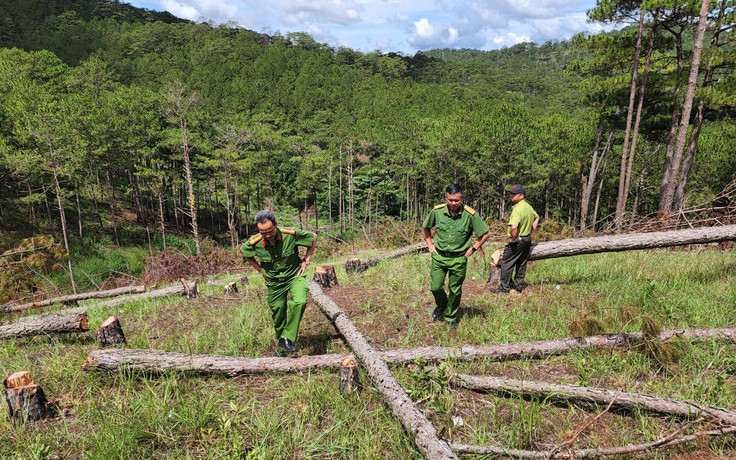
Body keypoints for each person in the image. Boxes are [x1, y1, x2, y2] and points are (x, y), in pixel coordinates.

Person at [241, 210, 317, 357]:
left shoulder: (290, 235)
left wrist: (306, 261)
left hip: (294, 276)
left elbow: (313, 237)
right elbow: (245, 252)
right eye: (263, 232)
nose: (267, 235)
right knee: (278, 314)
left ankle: (287, 338)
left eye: (270, 231)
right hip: (274, 283)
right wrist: (260, 270)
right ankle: (282, 350)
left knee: (300, 301)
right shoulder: (254, 242)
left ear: (275, 225)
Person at [423, 184, 490, 328]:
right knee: (435, 287)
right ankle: (442, 305)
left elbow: (485, 233)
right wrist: (430, 244)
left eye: (457, 200)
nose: (453, 203)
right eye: (450, 200)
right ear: (446, 198)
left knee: (455, 289)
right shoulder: (437, 212)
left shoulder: (470, 214)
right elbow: (426, 227)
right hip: (439, 257)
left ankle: (450, 316)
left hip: (459, 258)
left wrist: (473, 249)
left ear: (462, 199)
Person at [491, 184, 539, 294]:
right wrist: (532, 230)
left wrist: (514, 238)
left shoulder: (517, 209)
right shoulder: (528, 207)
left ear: (521, 195)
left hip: (518, 240)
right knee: (522, 263)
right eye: (510, 193)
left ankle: (504, 288)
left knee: (506, 263)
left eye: (513, 194)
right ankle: (518, 288)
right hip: (527, 239)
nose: (511, 195)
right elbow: (537, 217)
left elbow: (514, 227)